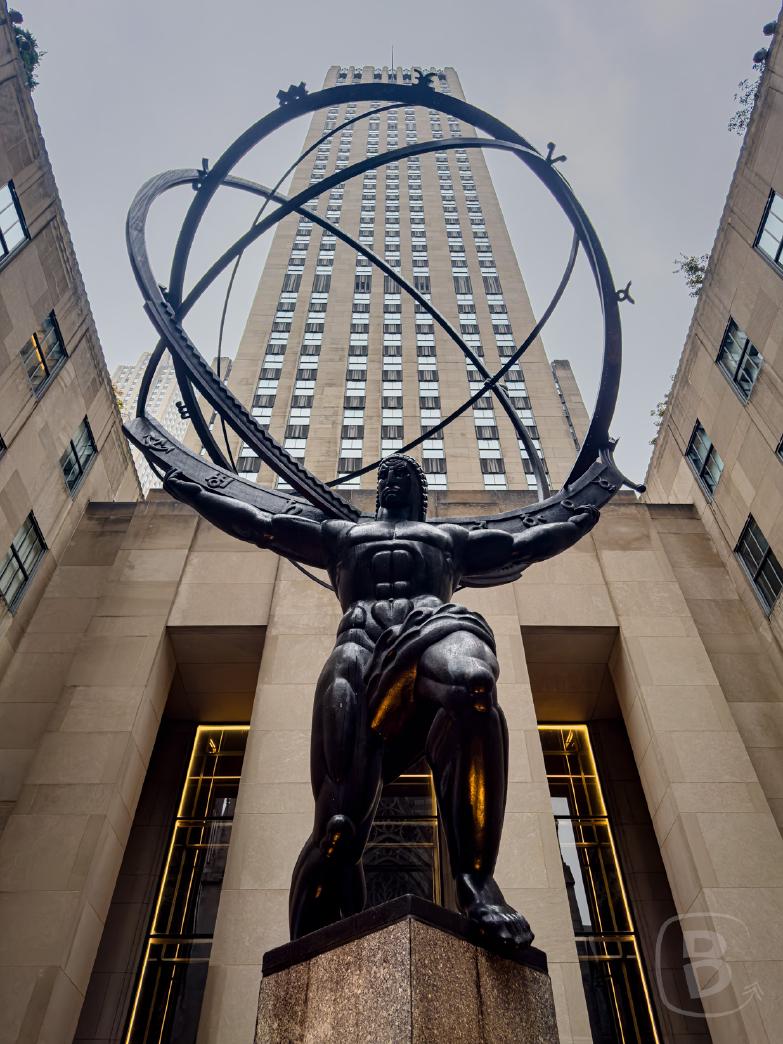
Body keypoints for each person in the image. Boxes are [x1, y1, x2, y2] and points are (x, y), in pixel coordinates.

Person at [164, 454, 599, 948]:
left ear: (421, 491)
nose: (390, 479)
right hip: (360, 649)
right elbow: (263, 526)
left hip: (433, 629)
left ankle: (476, 882)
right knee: (338, 829)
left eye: (403, 475)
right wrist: (194, 493)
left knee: (476, 684)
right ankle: (309, 954)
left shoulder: (448, 539)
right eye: (384, 475)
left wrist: (579, 518)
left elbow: (523, 544)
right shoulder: (342, 536)